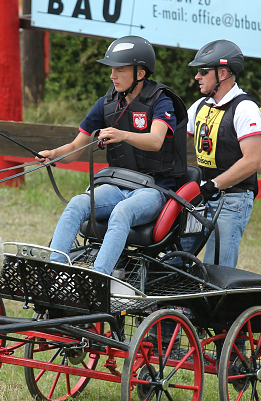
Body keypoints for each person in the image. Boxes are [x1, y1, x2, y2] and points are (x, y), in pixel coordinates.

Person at [38, 36, 187, 276]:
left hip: (154, 189)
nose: (112, 76)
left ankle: (99, 278)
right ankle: (54, 273)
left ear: (140, 73)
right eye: (111, 70)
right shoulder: (106, 104)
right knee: (77, 203)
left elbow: (156, 140)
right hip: (117, 185)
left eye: (120, 70)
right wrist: (53, 155)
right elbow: (77, 146)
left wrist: (123, 135)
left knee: (123, 211)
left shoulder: (162, 101)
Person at [186, 39, 261, 268]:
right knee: (175, 257)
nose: (196, 77)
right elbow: (172, 142)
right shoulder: (200, 105)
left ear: (222, 73)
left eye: (202, 71)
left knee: (216, 270)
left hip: (233, 199)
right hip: (201, 196)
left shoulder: (245, 108)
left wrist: (213, 185)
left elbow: (252, 161)